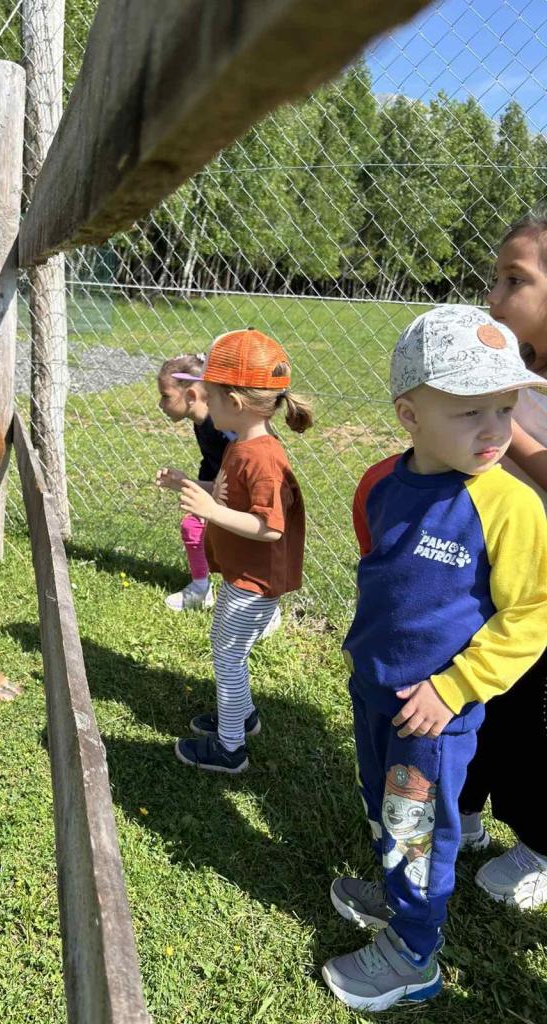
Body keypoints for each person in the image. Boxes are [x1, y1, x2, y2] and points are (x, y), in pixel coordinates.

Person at [322, 305, 547, 1012]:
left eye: (505, 407)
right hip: (375, 690)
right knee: (385, 809)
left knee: (418, 830)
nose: (495, 429)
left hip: (435, 716)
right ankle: (397, 895)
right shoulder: (386, 485)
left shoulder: (510, 506)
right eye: (470, 410)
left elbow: (531, 615)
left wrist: (455, 688)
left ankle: (413, 954)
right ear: (410, 416)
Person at [157, 328, 311, 773]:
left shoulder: (262, 458)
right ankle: (242, 718)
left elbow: (269, 527)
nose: (204, 404)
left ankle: (230, 749)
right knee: (226, 648)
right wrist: (188, 483)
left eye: (210, 395)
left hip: (255, 582)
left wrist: (210, 511)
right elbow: (227, 495)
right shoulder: (241, 446)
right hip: (241, 575)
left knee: (227, 655)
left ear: (236, 403)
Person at [455, 209, 547, 908]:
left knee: (532, 725)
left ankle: (540, 847)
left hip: (543, 596)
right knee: (481, 695)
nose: (493, 296)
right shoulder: (514, 371)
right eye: (495, 279)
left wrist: (501, 427)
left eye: (514, 279)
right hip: (491, 570)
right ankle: (464, 812)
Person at [156, 353, 232, 612]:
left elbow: (234, 473)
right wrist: (189, 483)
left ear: (190, 396)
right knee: (193, 525)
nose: (161, 404)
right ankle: (201, 588)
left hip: (238, 494)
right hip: (220, 487)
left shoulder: (221, 427)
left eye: (166, 396)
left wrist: (190, 485)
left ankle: (251, 599)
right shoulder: (202, 423)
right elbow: (212, 465)